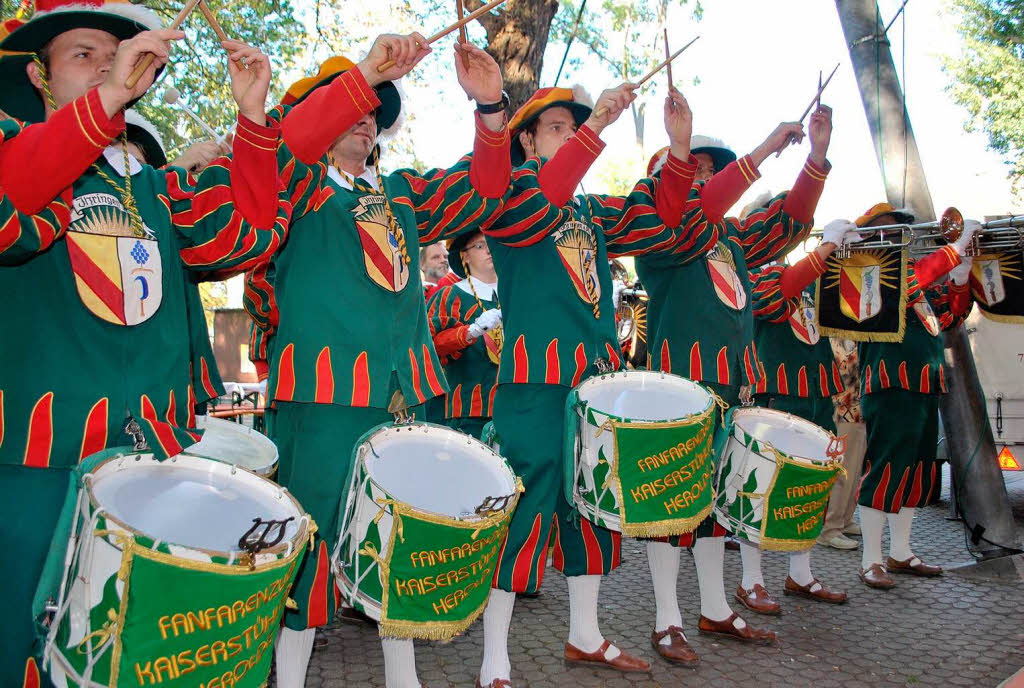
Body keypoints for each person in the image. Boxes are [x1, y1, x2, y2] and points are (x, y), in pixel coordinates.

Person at [0, 1, 288, 681]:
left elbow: (246, 235)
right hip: (40, 464)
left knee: (137, 647)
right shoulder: (18, 149)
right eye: (82, 53)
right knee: (27, 645)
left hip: (149, 459)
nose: (106, 63)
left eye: (117, 52)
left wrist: (252, 118)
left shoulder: (156, 187)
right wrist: (106, 102)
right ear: (40, 78)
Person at [242, 36, 511, 688]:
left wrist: (492, 108)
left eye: (371, 111)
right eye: (348, 108)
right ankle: (287, 678)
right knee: (306, 541)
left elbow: (482, 188)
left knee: (399, 538)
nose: (363, 118)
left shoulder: (402, 191)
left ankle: (402, 678)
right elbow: (282, 146)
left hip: (405, 394)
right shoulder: (296, 184)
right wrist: (360, 77)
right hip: (323, 395)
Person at [475, 82, 721, 687]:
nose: (567, 135)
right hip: (535, 382)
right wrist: (603, 119)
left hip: (595, 387)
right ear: (526, 139)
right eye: (554, 127)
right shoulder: (507, 198)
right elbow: (549, 192)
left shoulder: (591, 210)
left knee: (592, 507)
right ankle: (493, 660)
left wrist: (680, 147)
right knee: (523, 509)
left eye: (572, 127)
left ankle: (585, 635)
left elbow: (661, 216)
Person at [638, 108, 833, 664]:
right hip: (680, 385)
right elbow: (693, 211)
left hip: (730, 387)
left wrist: (814, 158)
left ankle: (716, 607)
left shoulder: (731, 239)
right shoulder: (658, 228)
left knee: (714, 505)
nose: (701, 177)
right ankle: (666, 619)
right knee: (671, 505)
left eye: (708, 170)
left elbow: (788, 223)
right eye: (690, 170)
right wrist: (769, 145)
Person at [735, 221, 860, 613]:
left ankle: (800, 573)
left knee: (811, 488)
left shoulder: (811, 278)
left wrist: (855, 263)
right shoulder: (751, 274)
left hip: (817, 394)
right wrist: (823, 251)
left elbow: (857, 312)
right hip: (777, 393)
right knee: (760, 488)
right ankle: (750, 581)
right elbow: (774, 298)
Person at [851, 203, 976, 588]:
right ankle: (871, 559)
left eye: (904, 229)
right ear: (873, 235)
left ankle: (901, 551)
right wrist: (958, 247)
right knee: (887, 468)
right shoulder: (867, 271)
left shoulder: (914, 285)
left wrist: (961, 276)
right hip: (891, 385)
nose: (903, 236)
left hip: (924, 385)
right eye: (892, 229)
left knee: (915, 471)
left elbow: (953, 315)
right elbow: (913, 279)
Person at [427, 228, 501, 439]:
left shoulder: (515, 292)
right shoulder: (450, 295)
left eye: (492, 244)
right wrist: (471, 331)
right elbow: (429, 347)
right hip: (466, 409)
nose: (489, 251)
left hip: (516, 407)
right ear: (464, 256)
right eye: (480, 246)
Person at [818, 336, 867, 550]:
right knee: (843, 470)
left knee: (855, 468)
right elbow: (845, 366)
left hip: (858, 404)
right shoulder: (833, 330)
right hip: (843, 407)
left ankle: (845, 519)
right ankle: (829, 529)